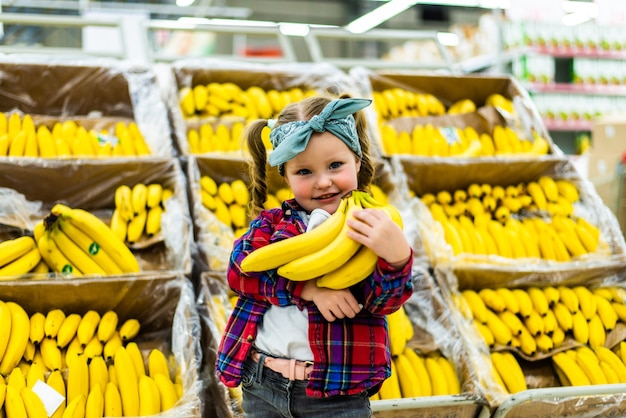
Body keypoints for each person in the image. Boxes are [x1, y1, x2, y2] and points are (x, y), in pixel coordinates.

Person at [215, 95, 414, 417]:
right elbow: (240, 273)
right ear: (287, 176)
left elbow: (384, 303)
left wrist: (397, 259)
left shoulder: (372, 231)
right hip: (261, 380)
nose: (323, 182)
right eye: (304, 171)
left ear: (357, 162)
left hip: (336, 391)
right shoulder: (271, 225)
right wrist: (306, 289)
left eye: (335, 165)